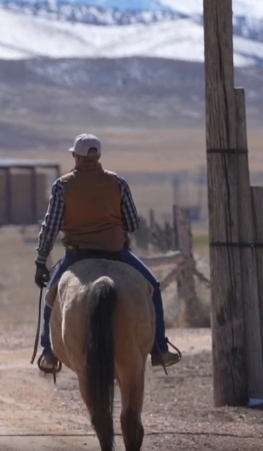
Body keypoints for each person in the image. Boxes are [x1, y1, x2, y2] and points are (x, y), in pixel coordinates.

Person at [33, 133, 181, 374]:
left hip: (77, 254)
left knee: (52, 297)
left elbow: (50, 228)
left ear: (76, 157)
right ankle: (160, 348)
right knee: (152, 285)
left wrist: (41, 260)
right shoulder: (118, 183)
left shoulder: (62, 186)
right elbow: (132, 223)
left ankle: (48, 352)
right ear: (98, 156)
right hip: (115, 251)